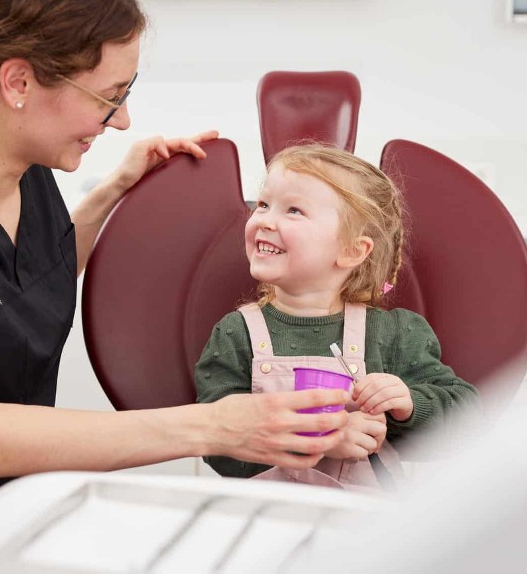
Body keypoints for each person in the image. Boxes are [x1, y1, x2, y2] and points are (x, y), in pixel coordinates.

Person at [0, 0, 349, 518]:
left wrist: (116, 189)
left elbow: (24, 282)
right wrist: (214, 426)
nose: (122, 121)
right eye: (109, 97)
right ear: (19, 83)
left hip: (9, 503)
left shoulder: (26, 170)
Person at [195, 144, 480, 490]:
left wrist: (409, 403)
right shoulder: (235, 334)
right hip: (270, 516)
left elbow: (468, 419)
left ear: (351, 250)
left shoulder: (394, 334)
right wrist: (319, 441)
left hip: (366, 520)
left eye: (294, 210)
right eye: (264, 204)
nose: (265, 220)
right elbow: (216, 443)